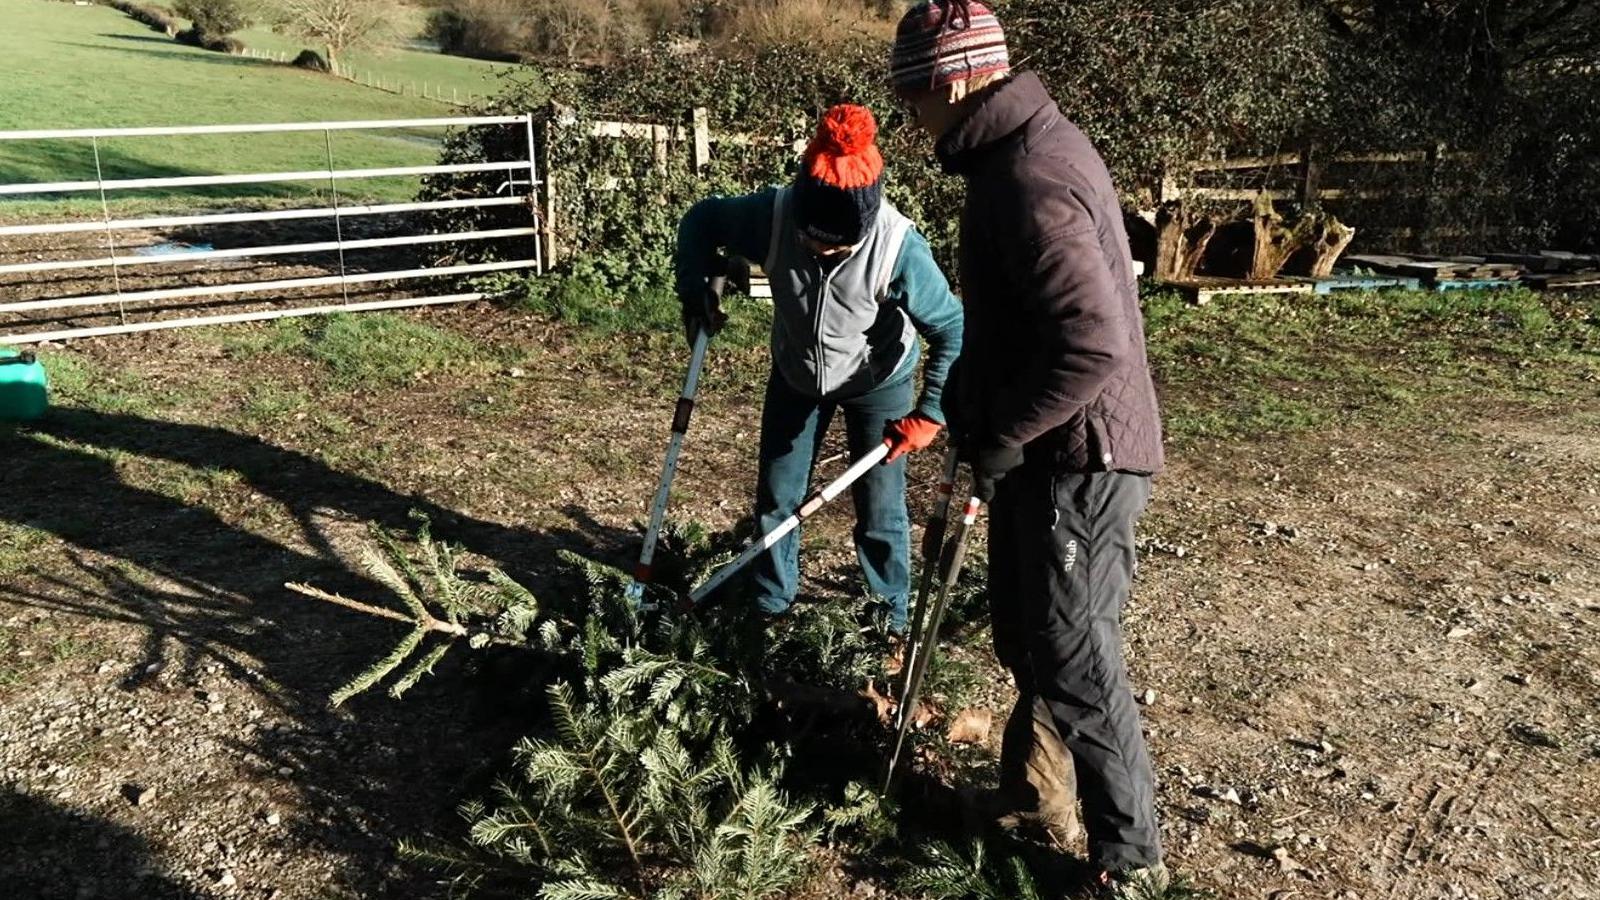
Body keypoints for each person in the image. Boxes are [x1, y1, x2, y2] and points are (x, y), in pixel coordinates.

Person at [889, 0, 1169, 889]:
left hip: (1082, 456)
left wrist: (1007, 432)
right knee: (1026, 635)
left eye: (915, 97)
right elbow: (1020, 321)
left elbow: (1091, 342)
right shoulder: (1018, 154)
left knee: (1075, 653)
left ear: (958, 80)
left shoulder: (1030, 176)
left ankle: (1131, 864)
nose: (911, 119)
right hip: (1044, 447)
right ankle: (1033, 796)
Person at [674, 104, 964, 633]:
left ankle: (888, 621)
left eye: (839, 246)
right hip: (797, 376)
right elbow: (701, 221)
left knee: (881, 510)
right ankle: (771, 607)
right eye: (816, 242)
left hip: (879, 382)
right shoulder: (773, 215)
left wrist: (931, 411)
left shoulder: (899, 248)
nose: (825, 251)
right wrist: (695, 287)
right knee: (777, 497)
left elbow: (951, 328)